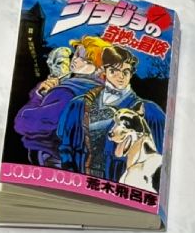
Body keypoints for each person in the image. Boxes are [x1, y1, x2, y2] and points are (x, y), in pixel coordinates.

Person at [57, 46, 165, 180]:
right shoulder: (79, 104)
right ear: (104, 71)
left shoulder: (149, 112)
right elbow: (66, 146)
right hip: (80, 178)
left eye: (126, 72)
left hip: (123, 181)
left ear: (131, 74)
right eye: (113, 71)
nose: (120, 77)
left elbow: (159, 158)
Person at [14, 36, 109, 167]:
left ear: (100, 69)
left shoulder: (67, 91)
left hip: (52, 158)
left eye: (86, 60)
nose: (76, 60)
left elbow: (24, 123)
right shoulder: (105, 93)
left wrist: (38, 96)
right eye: (77, 54)